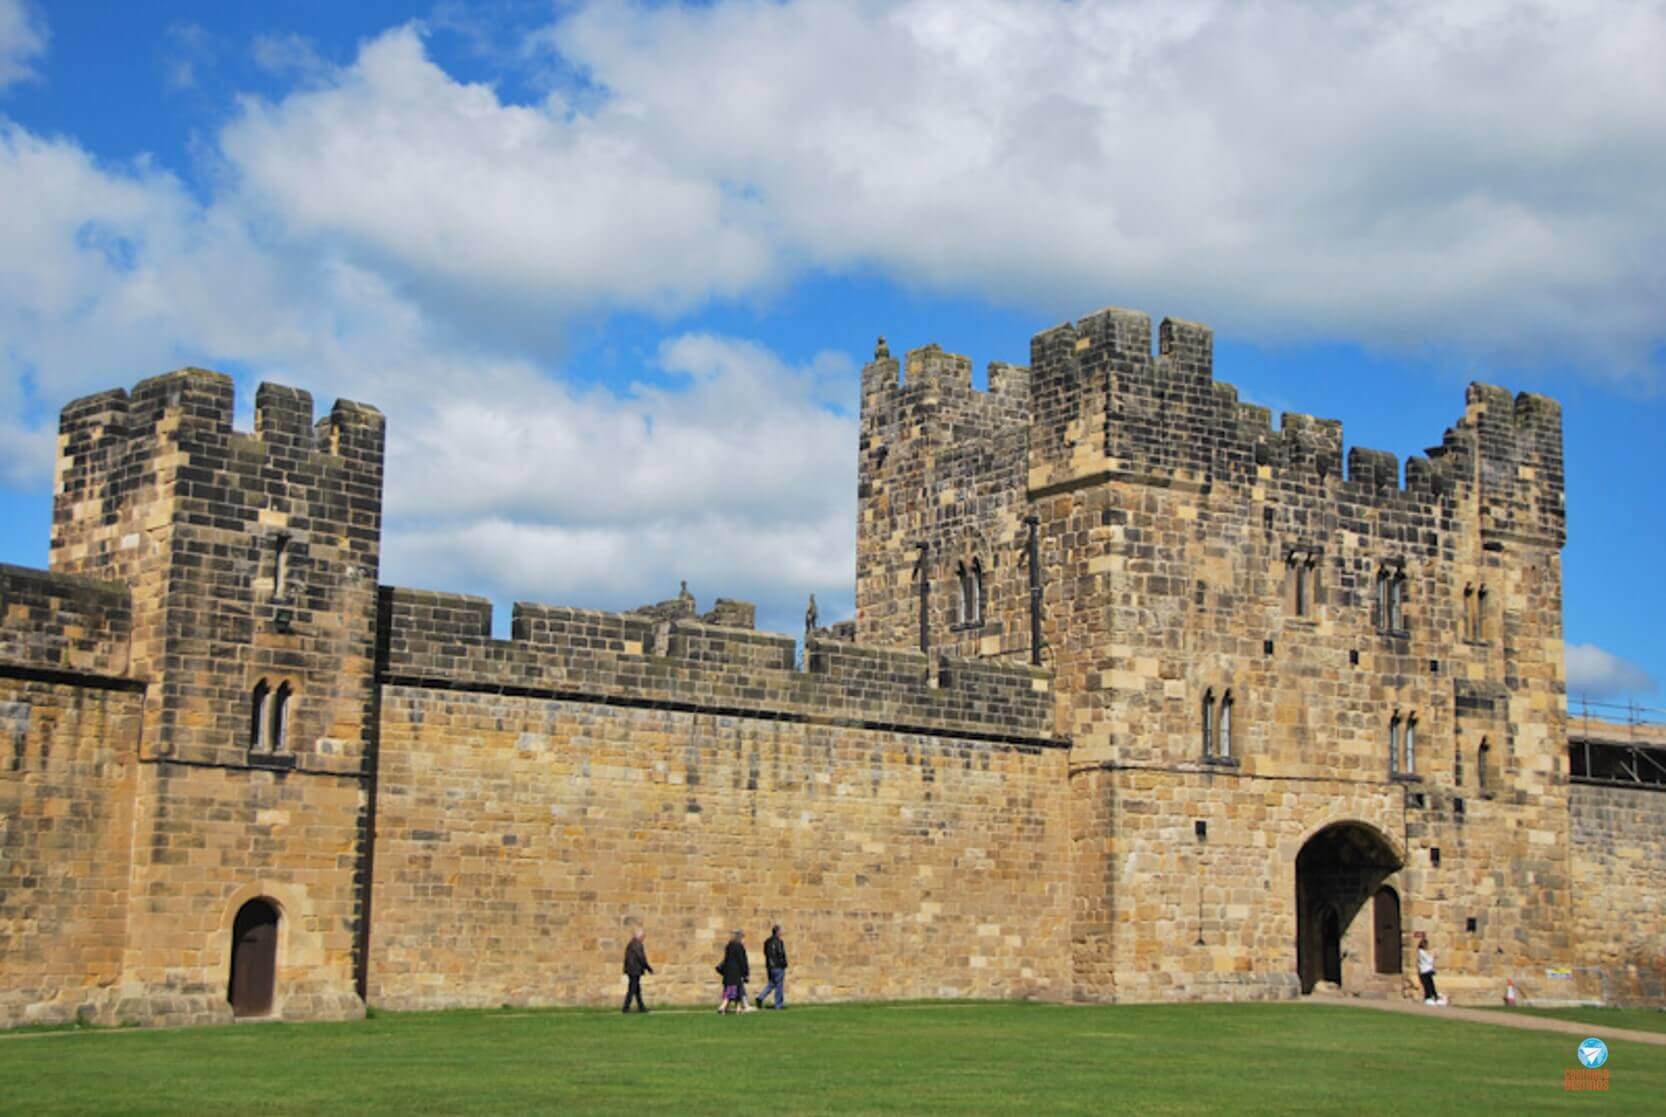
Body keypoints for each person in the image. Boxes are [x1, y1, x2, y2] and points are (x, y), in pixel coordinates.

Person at [716, 929, 751, 1014]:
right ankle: (723, 1007)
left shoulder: (729, 946)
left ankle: (738, 1008)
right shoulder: (739, 947)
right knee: (731, 992)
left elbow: (727, 960)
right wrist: (746, 973)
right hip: (736, 973)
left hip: (729, 972)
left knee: (737, 990)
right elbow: (742, 961)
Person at [756, 924, 789, 1009]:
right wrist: (784, 964)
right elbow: (781, 954)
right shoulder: (778, 942)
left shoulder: (767, 941)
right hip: (778, 966)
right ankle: (778, 1004)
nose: (781, 933)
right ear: (777, 932)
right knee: (779, 985)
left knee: (772, 983)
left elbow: (766, 953)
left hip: (770, 966)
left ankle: (760, 997)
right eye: (780, 931)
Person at [622, 927, 653, 1013]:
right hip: (634, 970)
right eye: (643, 937)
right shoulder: (637, 944)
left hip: (631, 970)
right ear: (639, 936)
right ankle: (626, 1008)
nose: (643, 939)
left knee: (637, 990)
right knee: (632, 989)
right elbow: (641, 957)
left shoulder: (632, 944)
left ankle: (641, 1007)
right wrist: (648, 968)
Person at [1416, 933, 1445, 1005]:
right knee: (1428, 985)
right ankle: (1430, 997)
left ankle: (1433, 996)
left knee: (1430, 984)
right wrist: (1433, 956)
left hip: (1426, 970)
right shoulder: (1421, 952)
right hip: (1425, 971)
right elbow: (1429, 960)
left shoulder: (1422, 952)